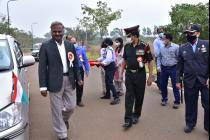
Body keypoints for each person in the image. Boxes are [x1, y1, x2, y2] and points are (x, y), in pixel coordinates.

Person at [38, 21, 83, 140]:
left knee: (71, 106)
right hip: (54, 81)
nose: (57, 33)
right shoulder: (46, 46)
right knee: (56, 110)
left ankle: (64, 119)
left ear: (63, 32)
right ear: (51, 32)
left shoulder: (69, 45)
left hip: (70, 79)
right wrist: (43, 86)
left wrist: (78, 77)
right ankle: (62, 134)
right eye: (54, 31)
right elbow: (42, 67)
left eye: (59, 31)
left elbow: (76, 63)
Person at [176, 24, 209, 134]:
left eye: (192, 33)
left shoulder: (207, 44)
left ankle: (208, 127)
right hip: (189, 81)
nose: (189, 35)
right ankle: (190, 123)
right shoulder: (182, 48)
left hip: (205, 81)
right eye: (188, 33)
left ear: (198, 33)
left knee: (208, 104)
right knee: (190, 104)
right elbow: (179, 67)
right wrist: (177, 81)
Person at [122, 25, 153, 128]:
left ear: (135, 36)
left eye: (130, 36)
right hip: (129, 74)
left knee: (139, 96)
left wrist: (150, 76)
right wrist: (122, 73)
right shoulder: (127, 46)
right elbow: (124, 60)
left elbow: (150, 61)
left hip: (140, 74)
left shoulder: (144, 46)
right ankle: (128, 119)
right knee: (129, 96)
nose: (129, 38)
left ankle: (136, 115)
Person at [157, 33, 180, 109]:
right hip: (164, 69)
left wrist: (179, 70)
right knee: (163, 84)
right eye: (163, 39)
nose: (163, 40)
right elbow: (159, 57)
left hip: (174, 68)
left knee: (175, 85)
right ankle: (164, 99)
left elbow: (179, 59)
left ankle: (177, 101)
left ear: (168, 39)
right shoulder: (162, 48)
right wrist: (158, 65)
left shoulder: (176, 47)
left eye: (164, 39)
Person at [68, 36, 90, 107]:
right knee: (69, 85)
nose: (74, 44)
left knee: (80, 85)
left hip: (79, 69)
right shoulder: (67, 50)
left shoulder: (81, 50)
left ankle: (79, 100)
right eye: (72, 43)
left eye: (75, 42)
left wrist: (87, 70)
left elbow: (85, 60)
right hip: (70, 70)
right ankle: (70, 101)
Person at [97, 38, 120, 105]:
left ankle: (116, 97)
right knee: (107, 81)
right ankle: (107, 95)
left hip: (111, 66)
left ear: (107, 43)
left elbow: (108, 59)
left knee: (109, 82)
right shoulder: (106, 49)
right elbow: (103, 57)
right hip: (108, 66)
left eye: (104, 42)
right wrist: (97, 60)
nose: (103, 42)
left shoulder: (109, 49)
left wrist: (102, 63)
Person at [153, 26, 165, 91]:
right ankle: (160, 87)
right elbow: (156, 52)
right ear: (158, 33)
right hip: (159, 58)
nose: (162, 33)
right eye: (160, 32)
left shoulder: (165, 39)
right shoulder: (156, 41)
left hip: (166, 58)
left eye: (162, 31)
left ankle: (162, 84)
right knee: (160, 73)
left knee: (164, 72)